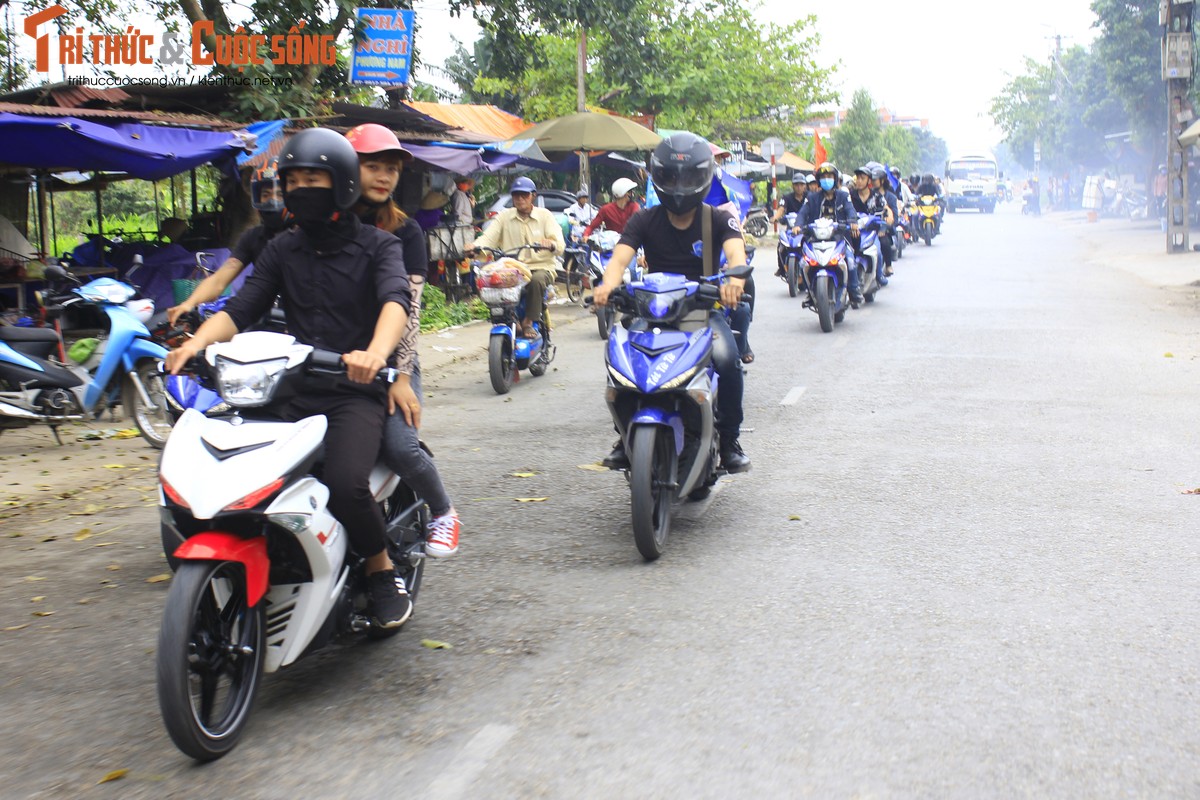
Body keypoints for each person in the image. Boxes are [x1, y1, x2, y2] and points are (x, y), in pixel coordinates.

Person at [165, 127, 415, 629]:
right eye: (294, 179)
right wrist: (195, 343)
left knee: (346, 484)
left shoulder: (380, 246)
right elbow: (241, 309)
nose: (302, 188)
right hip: (290, 388)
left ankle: (380, 568)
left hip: (353, 392)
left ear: (342, 182)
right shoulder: (283, 247)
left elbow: (396, 303)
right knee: (239, 471)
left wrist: (374, 354)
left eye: (314, 178)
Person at [592, 131, 752, 474]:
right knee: (622, 366)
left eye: (689, 177)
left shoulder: (719, 219)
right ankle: (625, 437)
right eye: (671, 176)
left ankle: (729, 441)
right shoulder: (643, 219)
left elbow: (736, 252)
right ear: (658, 176)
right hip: (650, 313)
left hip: (702, 312)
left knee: (728, 361)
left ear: (703, 177)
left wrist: (734, 282)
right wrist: (607, 286)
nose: (679, 186)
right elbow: (620, 259)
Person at [345, 123, 461, 560]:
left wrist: (402, 375)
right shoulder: (323, 224)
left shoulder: (404, 230)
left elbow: (410, 309)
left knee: (399, 445)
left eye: (391, 169)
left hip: (393, 360)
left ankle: (444, 511)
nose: (384, 176)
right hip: (330, 358)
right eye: (373, 166)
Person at [166, 163, 289, 326]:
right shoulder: (253, 238)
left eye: (279, 194)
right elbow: (219, 279)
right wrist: (189, 303)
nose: (272, 200)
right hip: (265, 320)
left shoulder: (304, 235)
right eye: (266, 194)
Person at [470, 176, 565, 339]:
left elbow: (559, 244)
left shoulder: (545, 216)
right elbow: (488, 239)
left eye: (524, 195)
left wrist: (550, 244)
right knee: (488, 280)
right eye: (516, 195)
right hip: (511, 269)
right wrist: (474, 248)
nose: (520, 199)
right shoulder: (504, 217)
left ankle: (528, 321)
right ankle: (507, 318)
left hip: (541, 267)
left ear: (533, 196)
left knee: (537, 281)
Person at [800, 162, 862, 304]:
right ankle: (810, 292)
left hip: (839, 238)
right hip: (816, 238)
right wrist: (798, 225)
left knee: (850, 261)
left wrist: (852, 222)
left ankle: (854, 290)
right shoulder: (812, 198)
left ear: (835, 179)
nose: (826, 179)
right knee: (804, 263)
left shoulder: (843, 196)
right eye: (823, 177)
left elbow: (850, 210)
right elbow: (803, 213)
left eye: (829, 176)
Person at [773, 172, 811, 277]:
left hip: (806, 229)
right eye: (796, 185)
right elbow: (781, 209)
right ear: (793, 186)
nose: (799, 187)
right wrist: (776, 217)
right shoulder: (786, 198)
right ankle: (781, 268)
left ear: (805, 186)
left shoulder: (810, 197)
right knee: (781, 245)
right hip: (791, 231)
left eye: (801, 185)